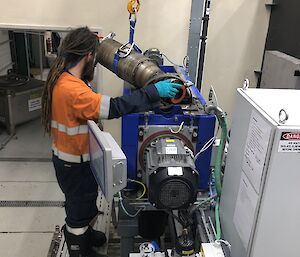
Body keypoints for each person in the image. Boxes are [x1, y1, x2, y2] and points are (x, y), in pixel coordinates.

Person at [41, 27, 181, 257]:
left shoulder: (66, 78)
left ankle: (85, 233)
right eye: (94, 58)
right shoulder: (73, 90)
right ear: (88, 56)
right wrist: (154, 92)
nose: (95, 63)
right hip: (73, 164)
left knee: (85, 203)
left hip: (75, 158)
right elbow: (114, 108)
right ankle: (79, 249)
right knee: (78, 208)